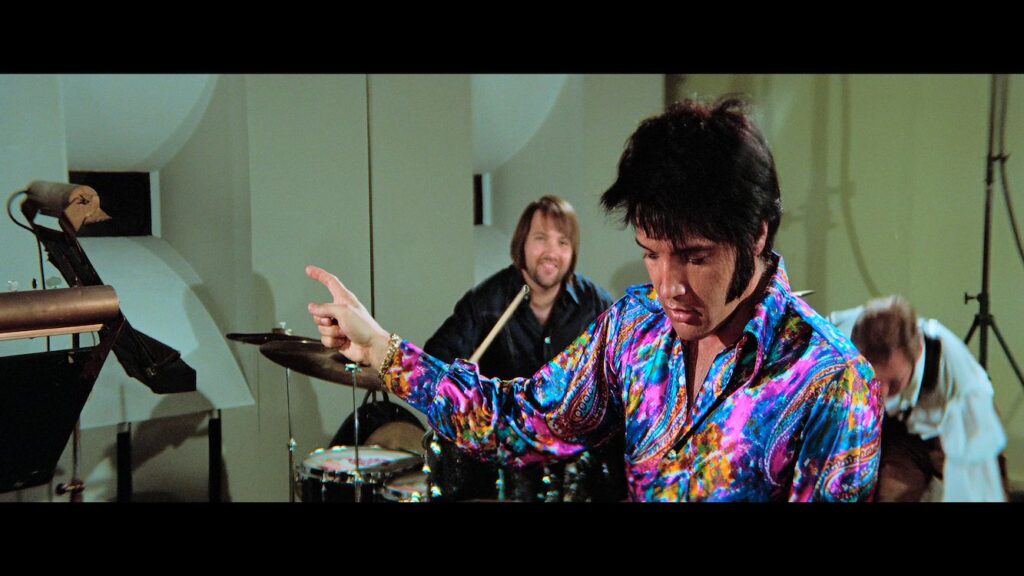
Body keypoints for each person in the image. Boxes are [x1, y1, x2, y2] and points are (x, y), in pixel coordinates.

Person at [307, 97, 883, 502]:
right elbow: (520, 420)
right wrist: (381, 349)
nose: (669, 286)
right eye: (651, 254)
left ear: (756, 235)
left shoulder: (832, 382)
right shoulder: (636, 327)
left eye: (695, 257)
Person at [421, 195, 621, 501]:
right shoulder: (486, 302)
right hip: (502, 463)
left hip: (574, 462)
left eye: (563, 242)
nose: (552, 252)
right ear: (522, 244)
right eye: (541, 238)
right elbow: (436, 363)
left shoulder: (596, 305)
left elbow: (622, 377)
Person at [830, 296, 1006, 502]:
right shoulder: (837, 337)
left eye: (894, 383)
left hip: (951, 428)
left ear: (917, 354)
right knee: (891, 494)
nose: (882, 393)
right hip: (900, 432)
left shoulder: (965, 384)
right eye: (873, 381)